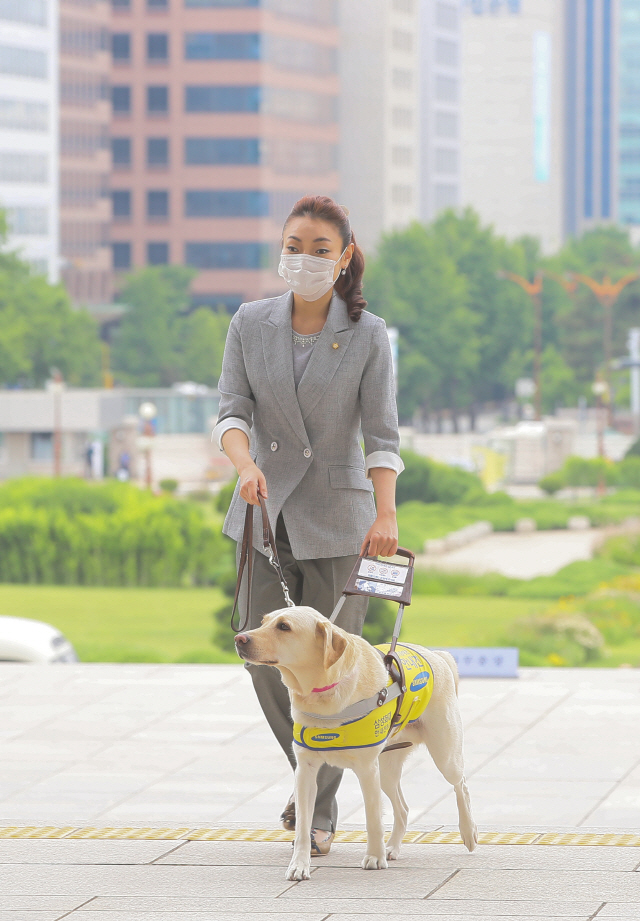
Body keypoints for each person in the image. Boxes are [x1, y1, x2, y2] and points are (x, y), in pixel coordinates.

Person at [212, 194, 404, 855]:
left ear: (344, 257)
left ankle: (314, 808)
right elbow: (230, 411)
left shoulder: (368, 331)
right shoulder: (249, 321)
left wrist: (386, 512)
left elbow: (382, 431)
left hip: (339, 517)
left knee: (331, 668)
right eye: (294, 245)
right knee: (261, 657)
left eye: (320, 249)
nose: (304, 259)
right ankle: (316, 787)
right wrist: (242, 465)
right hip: (263, 514)